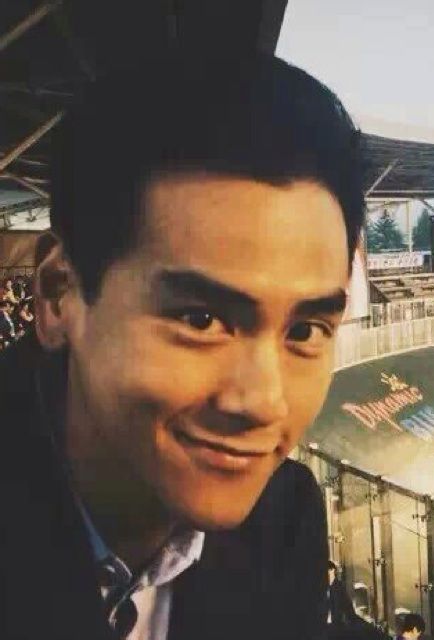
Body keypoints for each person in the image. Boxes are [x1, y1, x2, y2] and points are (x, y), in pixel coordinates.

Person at [0, 52, 365, 640]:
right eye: (201, 319)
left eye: (303, 332)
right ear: (58, 294)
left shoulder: (283, 520)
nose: (262, 402)